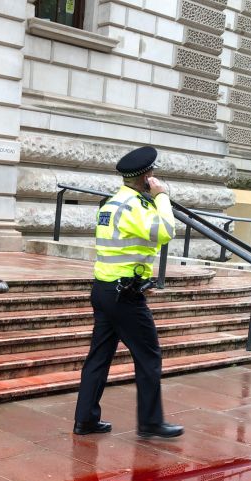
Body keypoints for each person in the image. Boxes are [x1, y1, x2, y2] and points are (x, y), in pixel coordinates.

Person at [72, 146, 184, 440]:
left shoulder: (111, 203)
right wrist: (162, 197)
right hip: (126, 295)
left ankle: (85, 419)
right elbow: (166, 232)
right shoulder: (136, 206)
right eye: (152, 175)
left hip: (103, 289)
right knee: (149, 357)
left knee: (99, 357)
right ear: (146, 177)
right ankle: (150, 423)